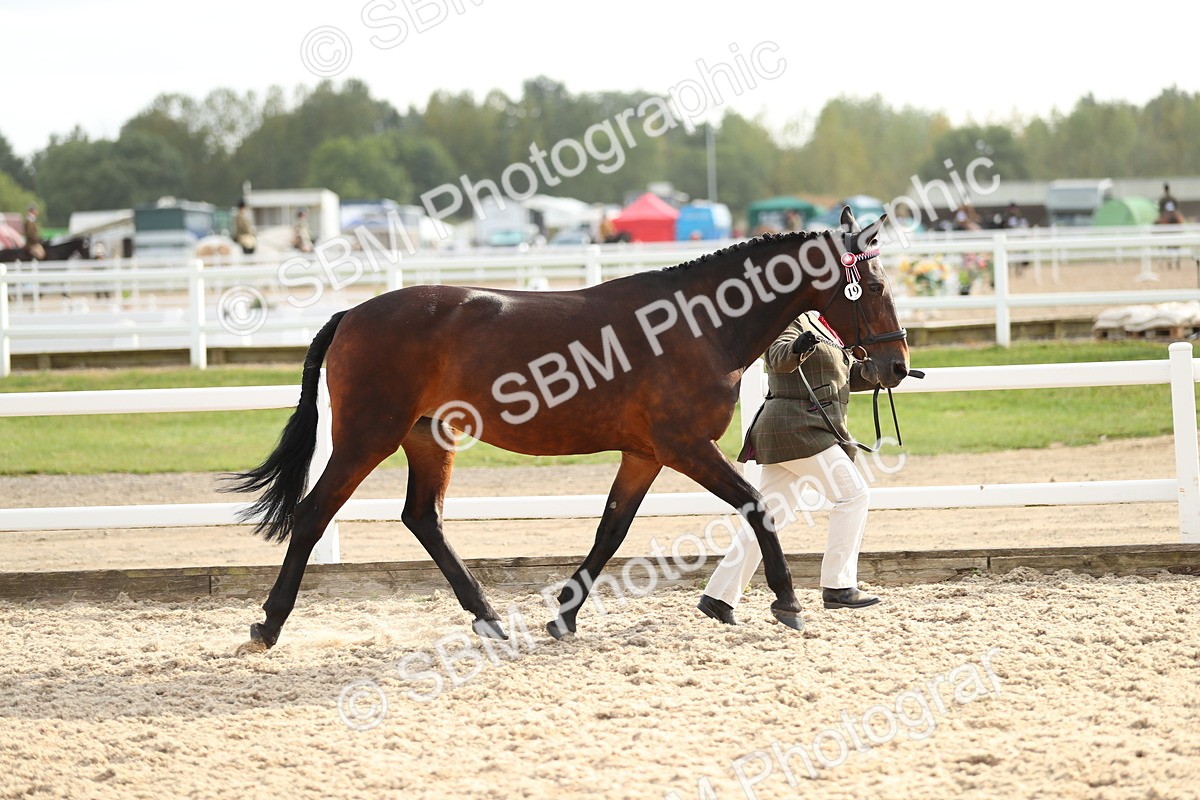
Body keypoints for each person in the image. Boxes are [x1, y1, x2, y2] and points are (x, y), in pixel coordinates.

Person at [698, 311, 882, 627]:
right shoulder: (788, 319)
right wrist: (800, 345)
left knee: (770, 518)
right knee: (853, 495)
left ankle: (718, 596)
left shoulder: (823, 322)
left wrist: (875, 374)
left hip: (800, 428)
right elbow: (779, 357)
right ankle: (838, 585)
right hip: (797, 427)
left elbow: (835, 377)